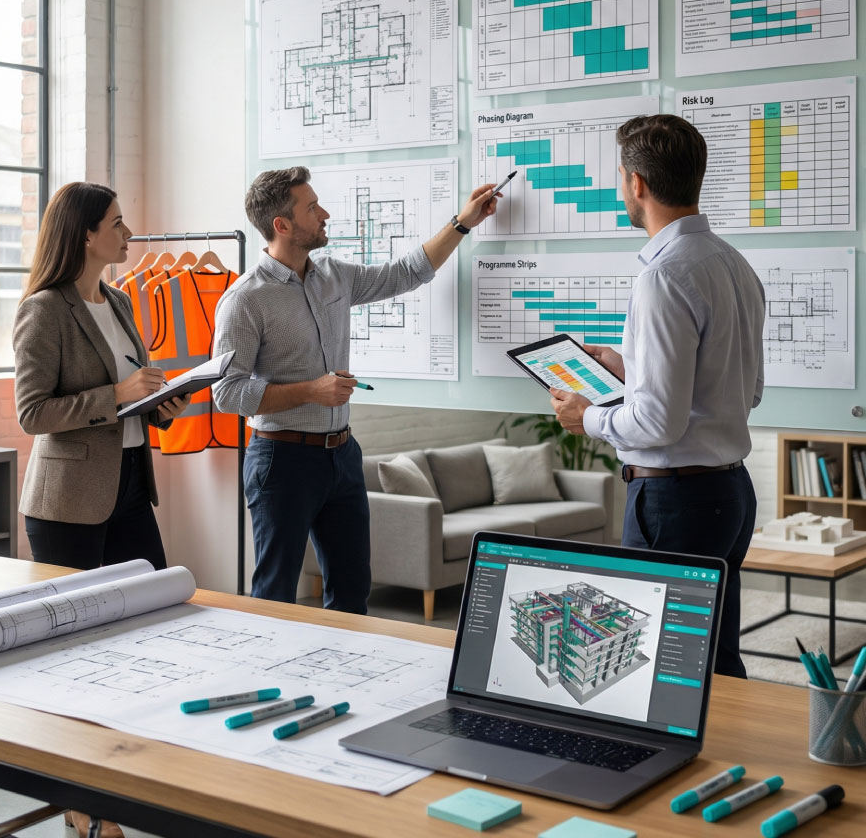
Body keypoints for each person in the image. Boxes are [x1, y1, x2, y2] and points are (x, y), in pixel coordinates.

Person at [212, 167, 499, 614]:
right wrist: (311, 390)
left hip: (342, 456)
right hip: (281, 462)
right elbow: (227, 393)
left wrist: (462, 223)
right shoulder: (245, 299)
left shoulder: (333, 275)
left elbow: (406, 273)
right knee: (275, 595)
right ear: (282, 225)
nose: (324, 214)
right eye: (312, 208)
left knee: (352, 592)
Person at [549, 114, 765, 679]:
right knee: (713, 661)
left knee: (661, 671)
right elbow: (744, 388)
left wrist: (588, 417)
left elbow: (659, 424)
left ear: (637, 182)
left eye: (621, 176)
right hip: (728, 492)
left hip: (675, 500)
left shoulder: (664, 275)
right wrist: (627, 367)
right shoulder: (734, 264)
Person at [13, 182, 192, 573]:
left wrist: (160, 407)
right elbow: (33, 414)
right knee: (75, 610)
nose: (129, 233)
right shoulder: (44, 309)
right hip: (68, 499)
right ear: (86, 236)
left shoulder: (119, 301)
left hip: (132, 484)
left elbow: (129, 397)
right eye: (117, 223)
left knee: (151, 598)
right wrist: (116, 393)